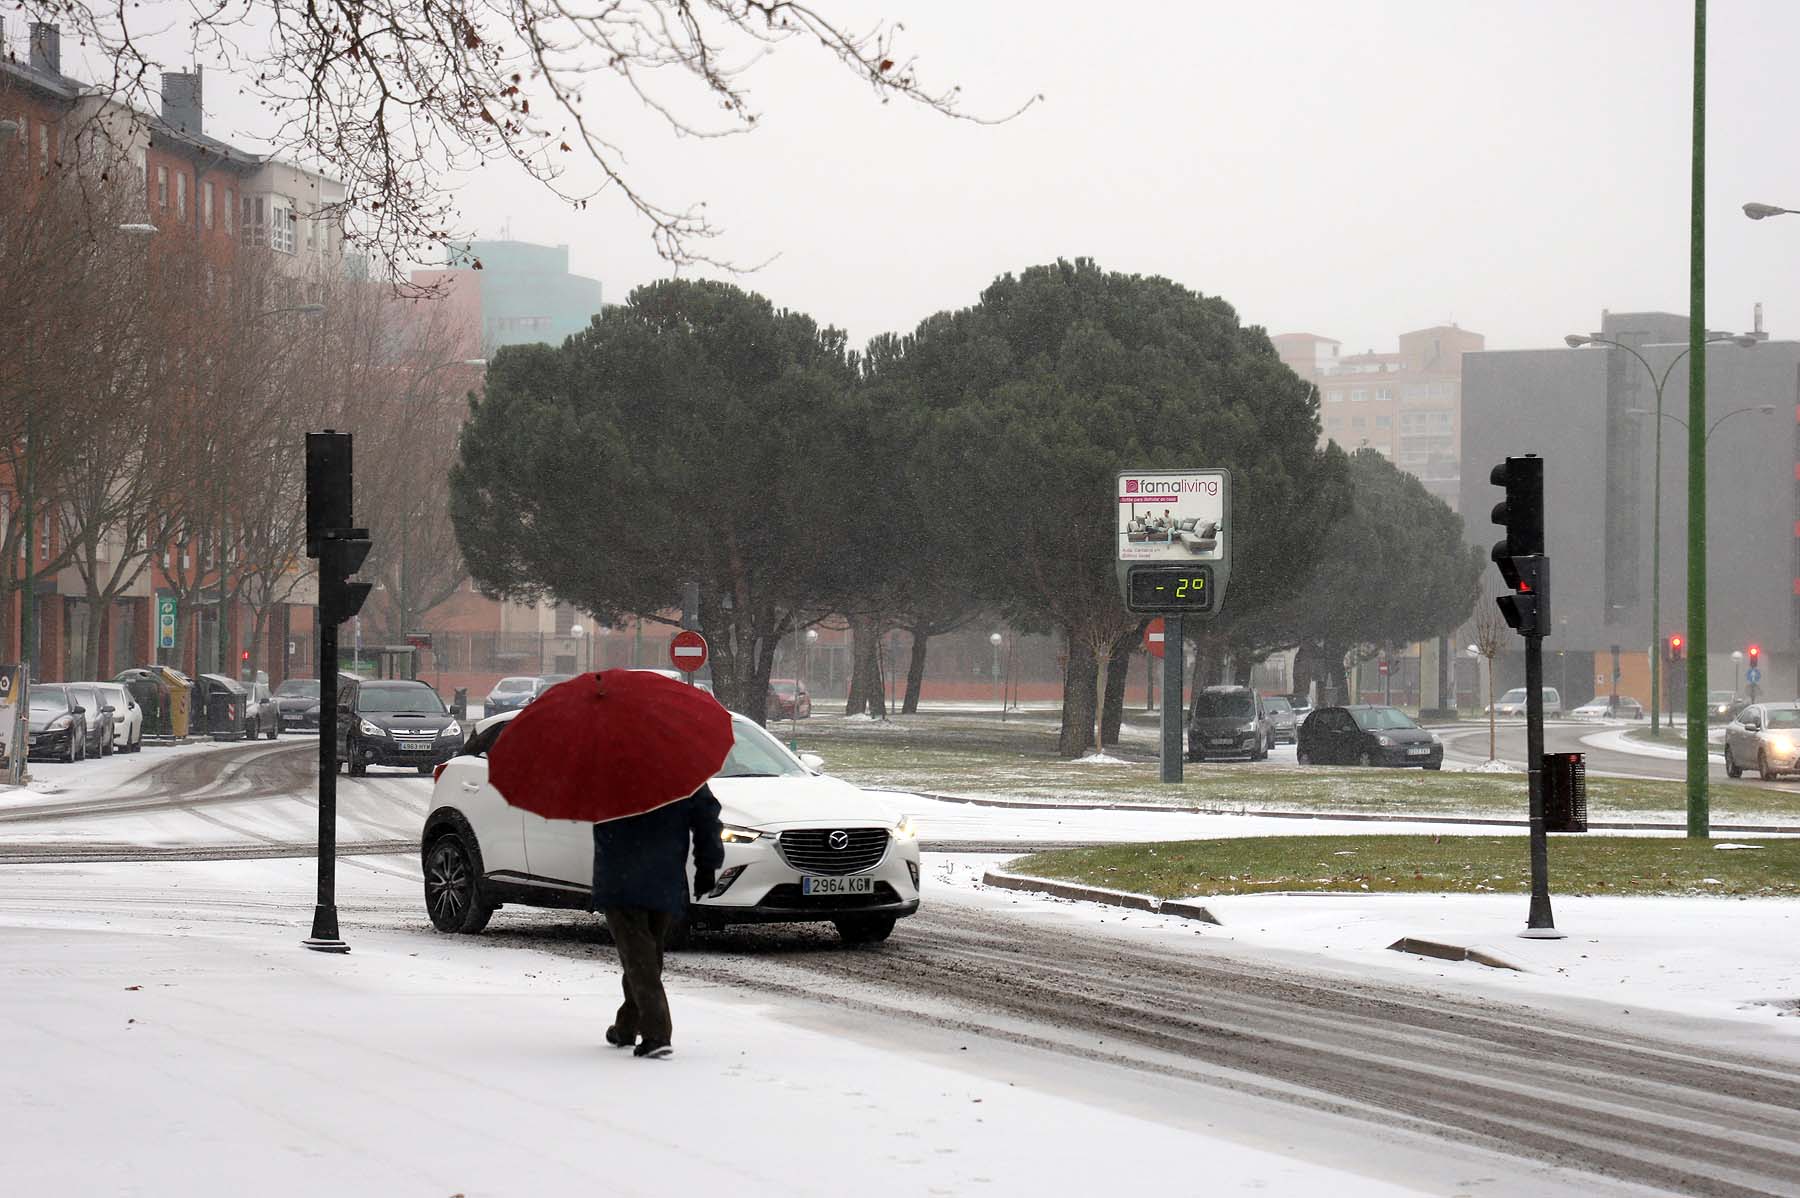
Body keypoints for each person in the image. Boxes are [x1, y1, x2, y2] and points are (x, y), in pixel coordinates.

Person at [591, 782, 724, 1059]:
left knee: (639, 957)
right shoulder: (678, 769)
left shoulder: (603, 770)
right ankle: (627, 1025)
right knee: (646, 955)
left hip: (621, 878)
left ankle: (656, 1034)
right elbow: (706, 815)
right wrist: (707, 865)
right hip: (664, 876)